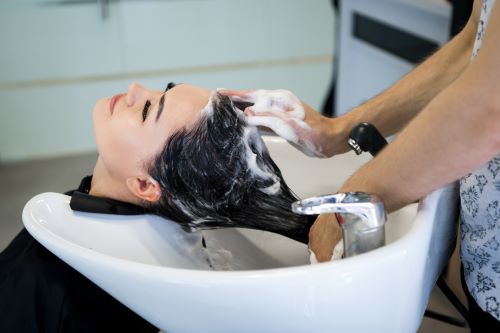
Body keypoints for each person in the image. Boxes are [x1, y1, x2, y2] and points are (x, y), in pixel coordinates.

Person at [220, 0, 500, 331]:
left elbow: (488, 109)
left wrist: (358, 194)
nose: (139, 88)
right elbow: (473, 44)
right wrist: (338, 132)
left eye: (152, 107)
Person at [0, 82, 316, 332]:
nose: (135, 88)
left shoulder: (51, 280)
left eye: (148, 109)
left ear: (146, 186)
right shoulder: (177, 235)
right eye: (163, 90)